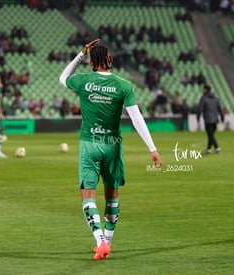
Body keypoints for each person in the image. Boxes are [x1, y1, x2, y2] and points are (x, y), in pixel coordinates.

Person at [59, 39, 162, 261]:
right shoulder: (123, 85)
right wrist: (152, 148)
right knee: (112, 195)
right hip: (113, 146)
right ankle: (108, 241)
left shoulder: (84, 81)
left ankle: (100, 241)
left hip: (89, 145)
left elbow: (62, 78)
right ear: (110, 60)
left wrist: (80, 55)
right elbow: (136, 118)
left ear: (91, 63)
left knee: (88, 196)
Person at [197, 84, 224, 154]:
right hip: (215, 119)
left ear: (205, 89)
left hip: (208, 119)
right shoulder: (216, 98)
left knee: (210, 135)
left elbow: (200, 108)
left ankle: (217, 147)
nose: (202, 90)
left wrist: (198, 117)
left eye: (203, 89)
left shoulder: (204, 98)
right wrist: (222, 117)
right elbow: (220, 109)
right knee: (211, 134)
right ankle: (208, 149)